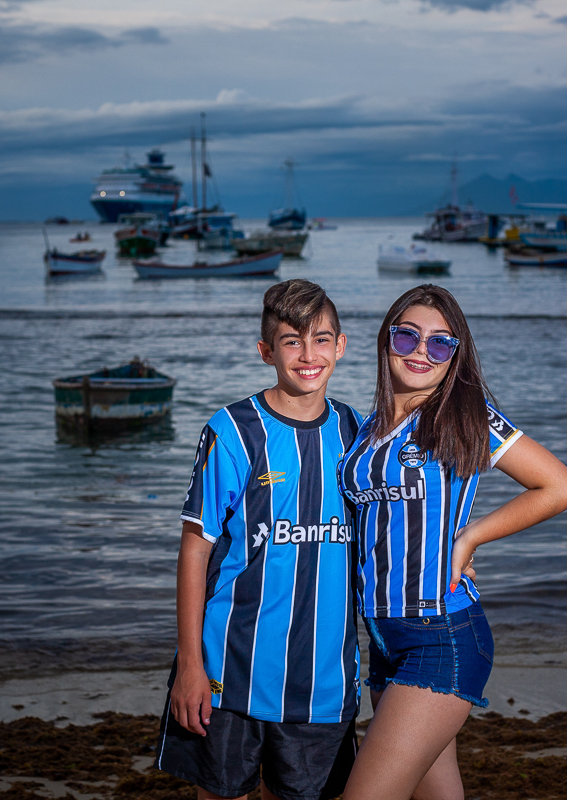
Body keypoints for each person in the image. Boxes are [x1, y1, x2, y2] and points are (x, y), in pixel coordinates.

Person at [339, 284, 567, 800]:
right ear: (386, 340)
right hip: (381, 639)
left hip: (442, 635)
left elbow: (560, 487)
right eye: (407, 336)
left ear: (455, 355)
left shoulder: (465, 414)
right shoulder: (366, 429)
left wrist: (470, 538)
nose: (421, 352)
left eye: (440, 343)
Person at [156, 279, 364, 800]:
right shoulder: (232, 431)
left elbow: (398, 523)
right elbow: (195, 549)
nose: (308, 355)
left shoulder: (358, 433)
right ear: (266, 351)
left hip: (323, 684)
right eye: (292, 341)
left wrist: (459, 550)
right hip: (230, 673)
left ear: (341, 346)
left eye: (321, 339)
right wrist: (190, 665)